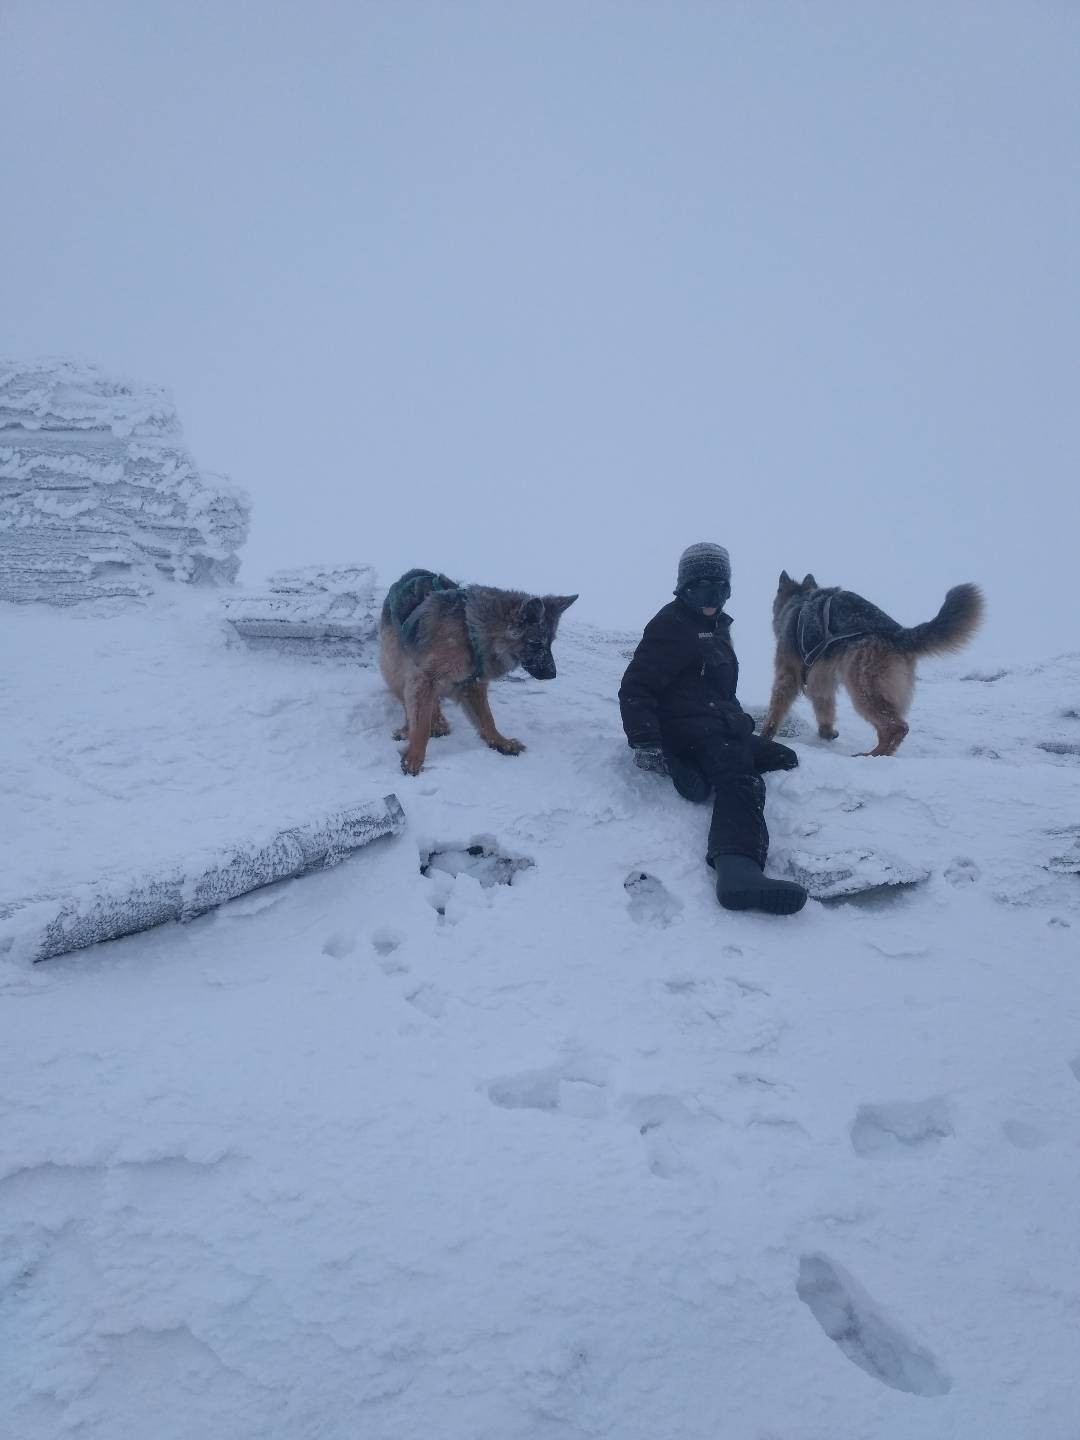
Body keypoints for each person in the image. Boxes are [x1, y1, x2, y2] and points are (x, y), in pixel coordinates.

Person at [619, 543, 808, 915]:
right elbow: (636, 687)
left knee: (781, 757)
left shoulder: (715, 627)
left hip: (714, 724)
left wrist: (735, 720)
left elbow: (716, 691)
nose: (711, 599)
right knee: (741, 776)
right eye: (701, 589)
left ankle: (695, 772)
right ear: (683, 588)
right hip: (685, 730)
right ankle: (738, 872)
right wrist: (646, 742)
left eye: (720, 590)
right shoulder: (670, 626)